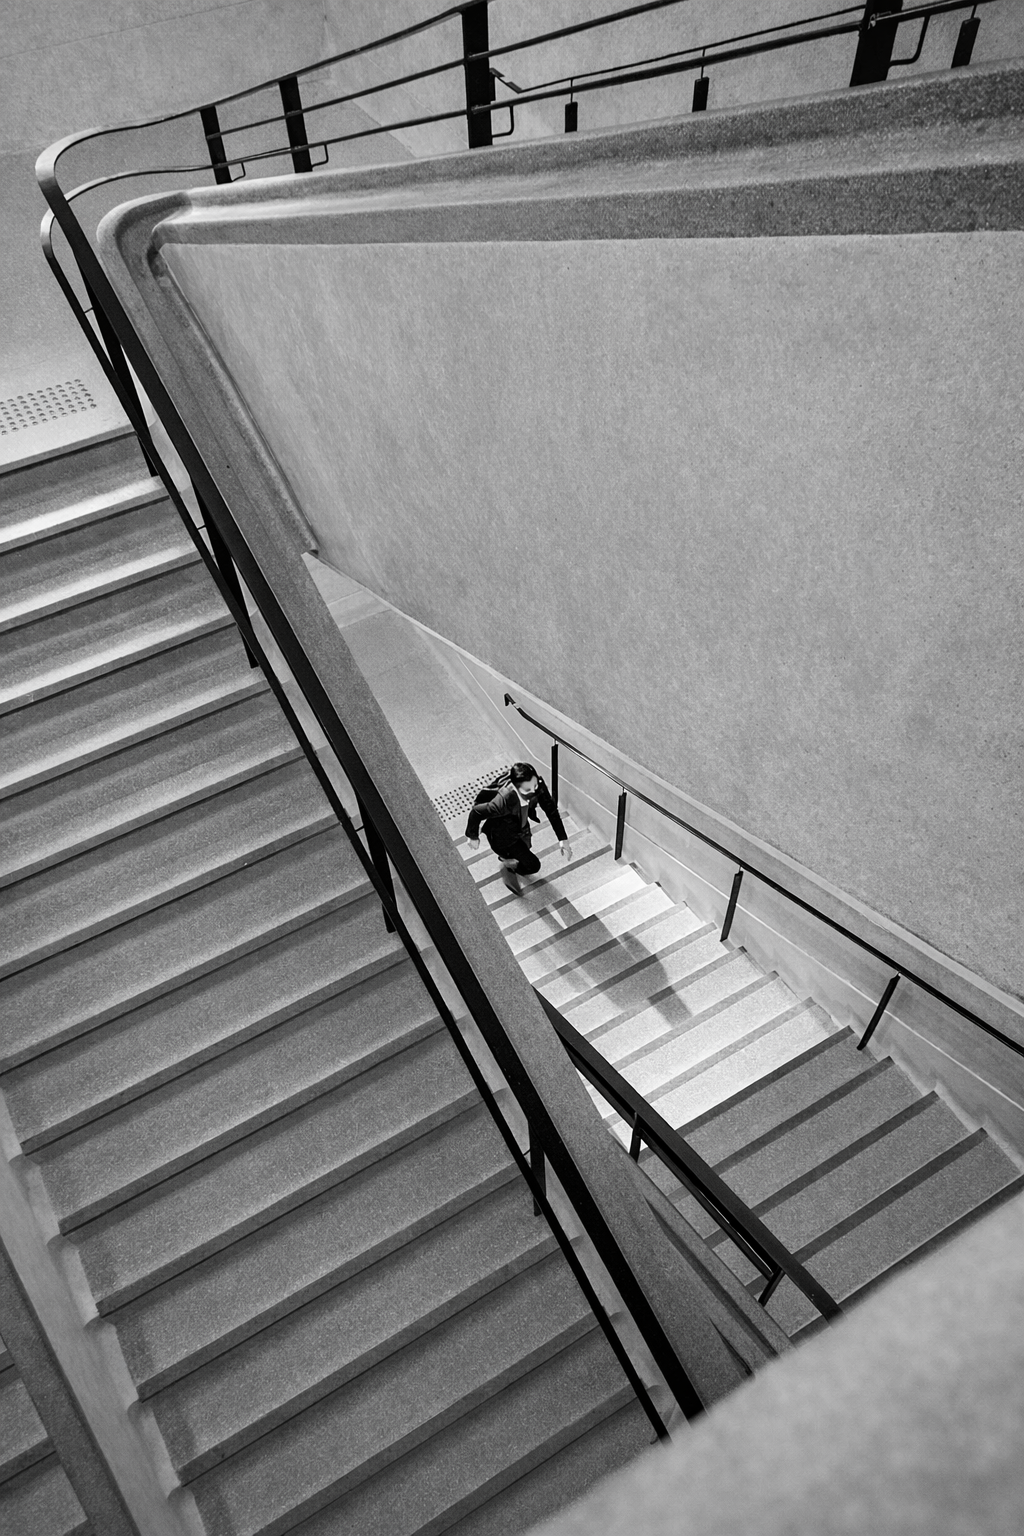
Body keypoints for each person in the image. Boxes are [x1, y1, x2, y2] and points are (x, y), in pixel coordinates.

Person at [466, 762, 572, 895]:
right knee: (533, 866)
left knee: (526, 848)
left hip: (520, 827)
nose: (534, 792)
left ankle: (511, 861)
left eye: (535, 786)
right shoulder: (504, 800)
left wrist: (563, 838)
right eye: (527, 790)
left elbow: (550, 809)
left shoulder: (535, 784)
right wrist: (473, 836)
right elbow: (477, 812)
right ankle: (507, 863)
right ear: (516, 787)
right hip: (502, 836)